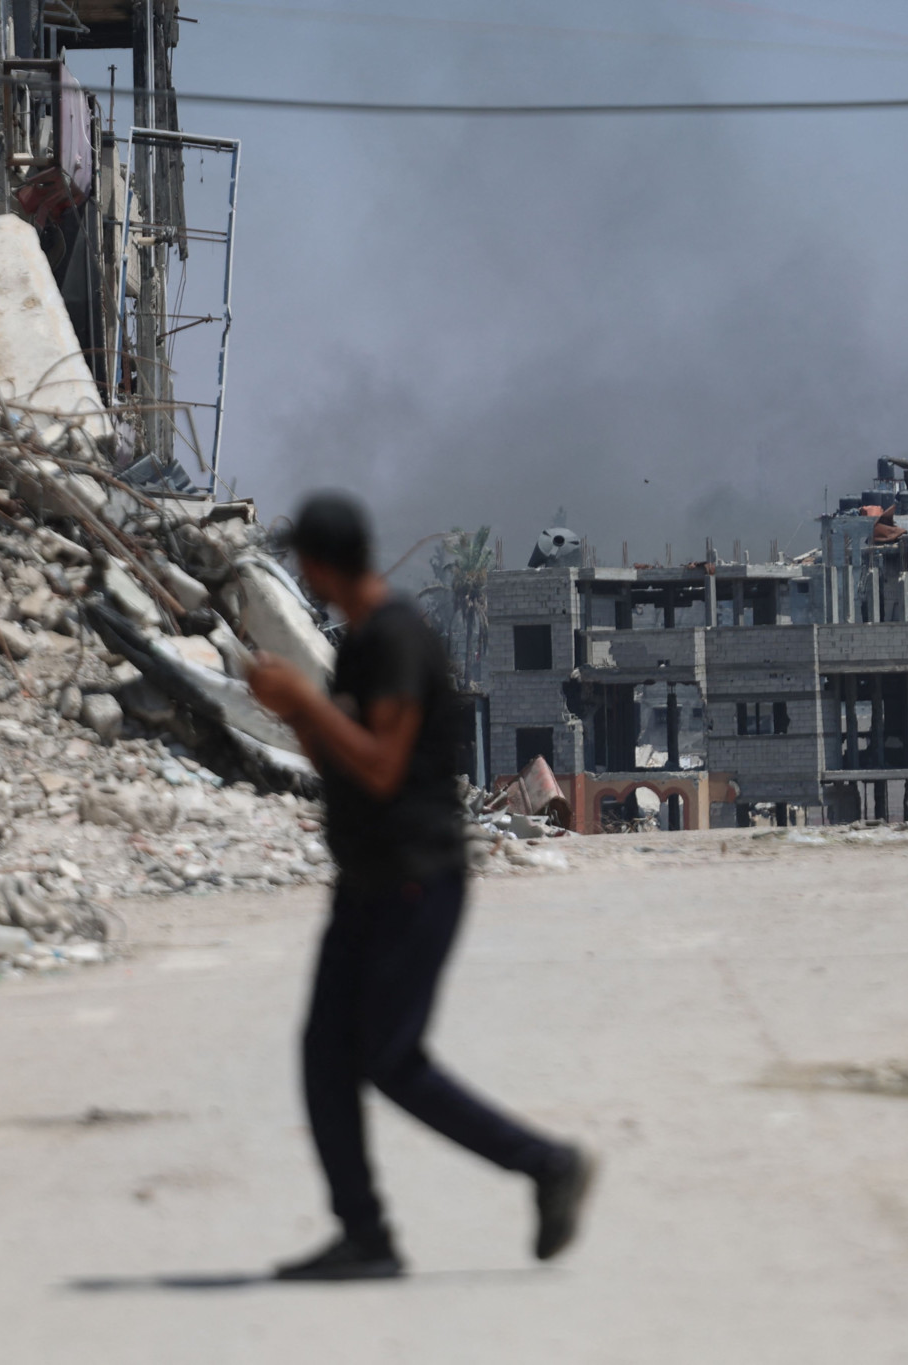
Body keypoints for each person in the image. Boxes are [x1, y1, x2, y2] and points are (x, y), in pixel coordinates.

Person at [247, 492, 595, 1282]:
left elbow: (382, 763)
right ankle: (363, 1233)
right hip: (368, 875)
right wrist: (295, 711)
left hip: (413, 876)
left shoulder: (398, 638)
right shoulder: (365, 643)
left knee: (390, 1058)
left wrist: (303, 700)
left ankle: (545, 1165)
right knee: (325, 1055)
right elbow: (343, 756)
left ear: (325, 563)